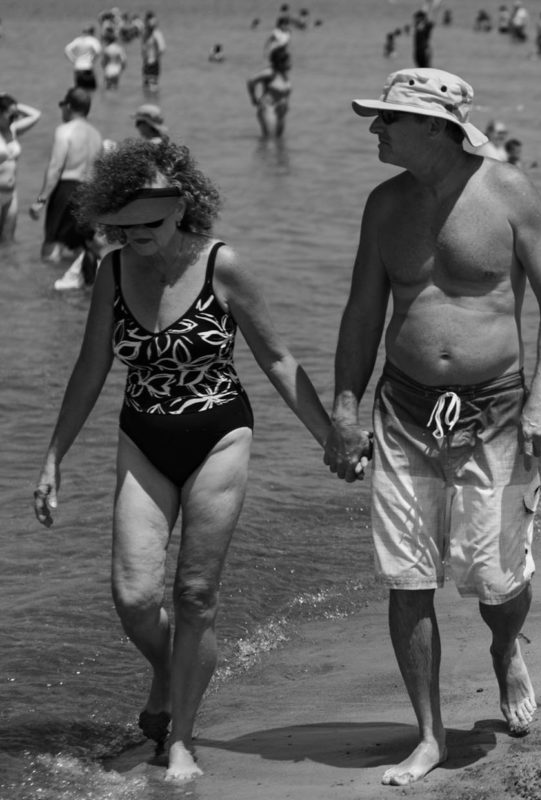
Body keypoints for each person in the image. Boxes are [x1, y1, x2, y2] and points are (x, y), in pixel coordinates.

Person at [32, 139, 335, 782]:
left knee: (194, 594)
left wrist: (330, 437)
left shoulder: (223, 266)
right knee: (135, 596)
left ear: (182, 208)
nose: (135, 234)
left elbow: (277, 359)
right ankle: (169, 673)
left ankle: (182, 740)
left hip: (219, 434)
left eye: (149, 221)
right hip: (142, 435)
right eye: (123, 222)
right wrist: (53, 456)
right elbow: (92, 367)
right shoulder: (111, 270)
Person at [330, 67, 541, 786]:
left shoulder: (508, 191)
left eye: (389, 119)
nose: (376, 129)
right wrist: (346, 409)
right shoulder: (384, 205)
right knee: (407, 578)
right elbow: (361, 314)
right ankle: (430, 734)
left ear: (436, 127)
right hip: (403, 409)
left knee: (496, 581)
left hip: (495, 407)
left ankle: (505, 648)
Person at [29, 88, 103, 269]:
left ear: (68, 106)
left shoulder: (64, 130)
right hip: (90, 192)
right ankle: (83, 293)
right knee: (81, 248)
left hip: (67, 189)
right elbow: (100, 172)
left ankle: (49, 293)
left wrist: (41, 199)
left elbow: (56, 166)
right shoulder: (97, 135)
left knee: (52, 247)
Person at [0, 94, 41, 242]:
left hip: (11, 195)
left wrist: (15, 106)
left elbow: (36, 115)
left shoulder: (13, 129)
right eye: (11, 114)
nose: (15, 117)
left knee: (8, 241)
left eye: (16, 114)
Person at [246, 47, 292, 138]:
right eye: (287, 61)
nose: (290, 63)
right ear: (280, 62)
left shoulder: (284, 74)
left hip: (281, 111)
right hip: (268, 109)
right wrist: (254, 98)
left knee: (280, 144)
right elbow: (251, 81)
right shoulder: (270, 72)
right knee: (270, 140)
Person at [65, 26, 103, 91]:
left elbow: (67, 49)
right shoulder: (93, 40)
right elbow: (98, 51)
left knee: (80, 89)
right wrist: (93, 60)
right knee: (91, 89)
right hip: (87, 67)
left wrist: (73, 59)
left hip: (78, 67)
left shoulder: (78, 40)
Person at [141, 11, 166, 94]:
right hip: (146, 64)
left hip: (153, 63)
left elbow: (162, 48)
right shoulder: (145, 34)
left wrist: (155, 58)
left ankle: (154, 103)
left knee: (153, 88)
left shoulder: (156, 33)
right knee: (146, 87)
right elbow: (143, 48)